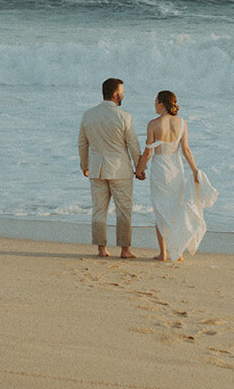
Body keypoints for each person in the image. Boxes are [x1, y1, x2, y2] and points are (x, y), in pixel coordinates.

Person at [135, 90, 208, 263]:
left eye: (155, 102)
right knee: (175, 210)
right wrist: (195, 171)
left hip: (160, 168)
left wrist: (139, 169)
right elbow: (186, 150)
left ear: (162, 104)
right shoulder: (182, 123)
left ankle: (164, 253)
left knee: (161, 211)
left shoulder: (153, 124)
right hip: (176, 169)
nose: (154, 105)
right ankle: (179, 251)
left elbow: (148, 151)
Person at [78, 77, 144, 259]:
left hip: (96, 168)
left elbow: (82, 143)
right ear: (115, 95)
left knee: (99, 210)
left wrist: (84, 165)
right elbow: (133, 145)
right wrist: (139, 168)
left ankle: (101, 249)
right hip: (120, 170)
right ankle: (125, 250)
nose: (123, 95)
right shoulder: (124, 117)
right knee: (124, 210)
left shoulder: (89, 115)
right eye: (122, 93)